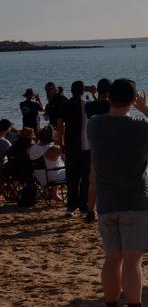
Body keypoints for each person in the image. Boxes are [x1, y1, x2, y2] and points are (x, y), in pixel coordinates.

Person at [88, 79, 148, 307]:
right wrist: (146, 109)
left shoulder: (94, 124)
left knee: (112, 259)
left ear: (108, 97)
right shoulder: (140, 125)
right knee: (133, 261)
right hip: (135, 200)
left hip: (107, 202)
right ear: (133, 100)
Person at [58, 81, 91, 218]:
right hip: (85, 146)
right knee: (85, 179)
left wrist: (61, 143)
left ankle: (70, 207)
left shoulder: (64, 105)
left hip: (71, 145)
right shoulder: (86, 105)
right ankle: (83, 207)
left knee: (72, 178)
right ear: (82, 91)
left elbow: (60, 126)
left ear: (71, 91)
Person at [84, 78, 112, 223]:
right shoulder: (111, 105)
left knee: (93, 182)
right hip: (110, 146)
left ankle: (90, 211)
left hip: (95, 146)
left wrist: (92, 93)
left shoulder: (89, 106)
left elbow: (96, 106)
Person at [28, 125, 65, 195]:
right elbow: (67, 154)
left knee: (54, 165)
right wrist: (61, 138)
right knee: (74, 171)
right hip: (51, 177)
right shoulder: (53, 149)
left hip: (38, 176)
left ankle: (55, 193)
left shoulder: (32, 148)